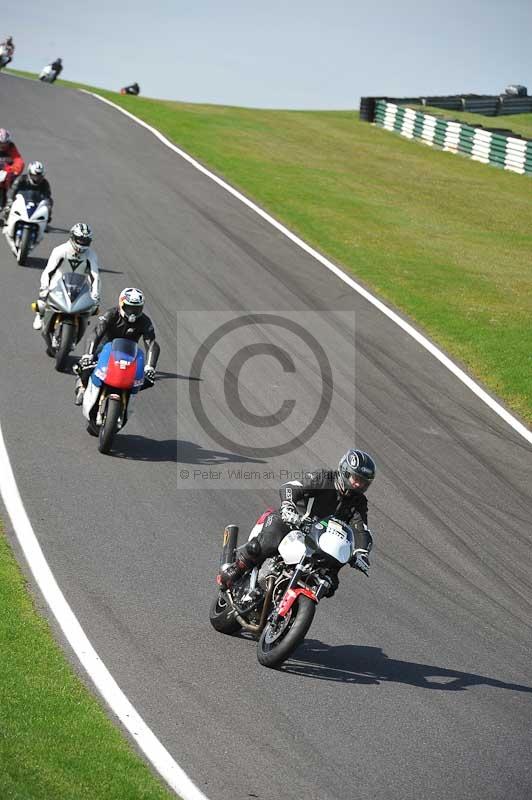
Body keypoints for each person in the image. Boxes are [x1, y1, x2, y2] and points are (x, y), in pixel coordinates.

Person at [220, 449, 377, 595]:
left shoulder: (359, 502)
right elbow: (291, 487)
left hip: (318, 541)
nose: (358, 485)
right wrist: (288, 506)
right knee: (268, 541)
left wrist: (362, 553)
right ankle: (238, 568)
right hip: (293, 522)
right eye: (356, 478)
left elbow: (361, 530)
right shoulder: (324, 478)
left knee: (331, 581)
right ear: (345, 471)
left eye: (363, 482)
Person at [74, 287, 160, 405]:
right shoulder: (111, 314)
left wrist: (150, 367)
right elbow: (96, 333)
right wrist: (87, 355)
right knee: (84, 364)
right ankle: (82, 387)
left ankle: (129, 399)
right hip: (104, 347)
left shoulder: (145, 321)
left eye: (136, 308)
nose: (133, 312)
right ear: (121, 304)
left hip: (129, 353)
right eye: (129, 308)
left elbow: (151, 343)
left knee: (148, 380)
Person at [33, 223, 100, 331]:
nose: (82, 244)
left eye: (85, 241)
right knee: (41, 303)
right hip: (58, 283)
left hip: (80, 285)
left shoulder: (91, 255)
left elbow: (95, 276)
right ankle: (40, 315)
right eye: (80, 240)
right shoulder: (60, 250)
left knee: (90, 310)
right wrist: (44, 288)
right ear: (72, 237)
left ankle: (81, 324)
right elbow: (49, 271)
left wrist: (95, 295)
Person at [1, 160, 53, 226]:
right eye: (35, 176)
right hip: (20, 201)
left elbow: (47, 196)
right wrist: (10, 201)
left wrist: (48, 206)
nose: (37, 178)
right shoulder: (20, 179)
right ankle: (7, 219)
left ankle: (44, 222)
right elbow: (12, 191)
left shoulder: (45, 183)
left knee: (49, 203)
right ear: (30, 173)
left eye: (39, 176)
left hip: (36, 202)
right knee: (8, 208)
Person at [0, 128, 24, 206]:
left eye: (6, 143)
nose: (4, 145)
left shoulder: (11, 147)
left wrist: (10, 170)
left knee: (18, 184)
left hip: (6, 177)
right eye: (1, 143)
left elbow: (18, 161)